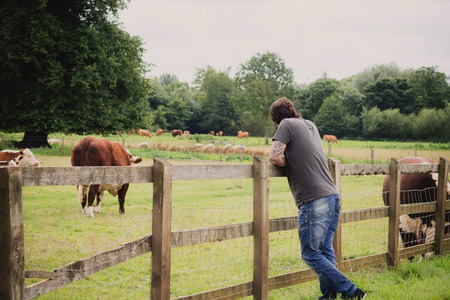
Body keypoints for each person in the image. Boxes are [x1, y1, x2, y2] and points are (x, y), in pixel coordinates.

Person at [269, 97, 366, 300]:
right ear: (293, 110)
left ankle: (351, 292)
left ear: (276, 119)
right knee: (324, 249)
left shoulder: (286, 124)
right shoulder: (310, 124)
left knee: (310, 254)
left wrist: (291, 163)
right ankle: (328, 296)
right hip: (332, 196)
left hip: (314, 200)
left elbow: (274, 157)